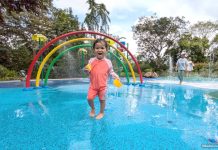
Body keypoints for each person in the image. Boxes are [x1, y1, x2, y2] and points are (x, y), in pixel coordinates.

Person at [84, 39, 120, 120]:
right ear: (94, 50)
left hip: (103, 86)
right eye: (97, 48)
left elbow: (111, 71)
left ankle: (101, 112)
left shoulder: (108, 62)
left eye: (102, 48)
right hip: (93, 86)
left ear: (106, 50)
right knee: (89, 98)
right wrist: (86, 71)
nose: (99, 50)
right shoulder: (91, 60)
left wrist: (116, 76)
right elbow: (88, 71)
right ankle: (93, 109)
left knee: (102, 100)